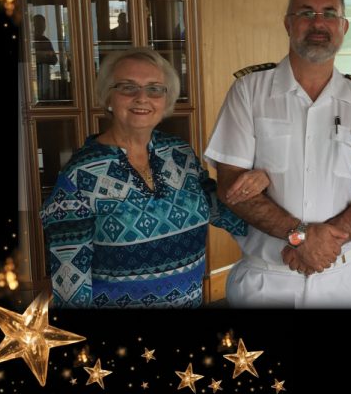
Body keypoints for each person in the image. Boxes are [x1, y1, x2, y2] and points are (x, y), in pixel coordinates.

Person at [205, 0, 351, 308]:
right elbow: (229, 186)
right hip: (268, 280)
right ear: (288, 24)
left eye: (329, 13)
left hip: (347, 280)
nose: (318, 22)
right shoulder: (249, 92)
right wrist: (300, 236)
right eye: (306, 13)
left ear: (344, 26)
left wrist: (323, 242)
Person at [40, 48, 264, 308]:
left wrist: (260, 177)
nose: (142, 98)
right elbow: (70, 290)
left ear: (166, 100)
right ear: (108, 96)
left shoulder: (179, 153)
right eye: (128, 87)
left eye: (155, 89)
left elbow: (227, 214)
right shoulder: (78, 177)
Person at [32, 14, 57, 101]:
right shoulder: (29, 40)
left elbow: (54, 60)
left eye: (43, 25)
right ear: (34, 26)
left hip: (44, 76)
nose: (42, 28)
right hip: (33, 77)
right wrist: (45, 54)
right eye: (39, 25)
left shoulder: (45, 40)